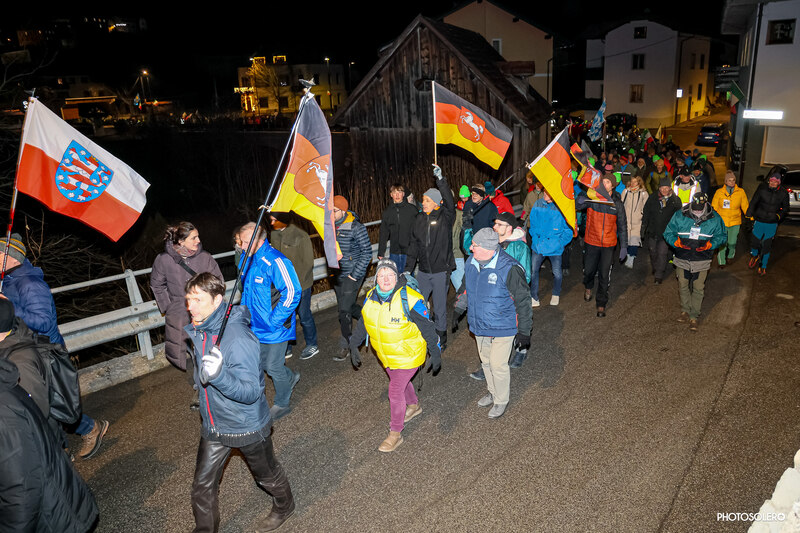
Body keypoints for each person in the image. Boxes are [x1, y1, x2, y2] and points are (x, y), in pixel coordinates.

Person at [184, 273, 295, 532]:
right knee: (202, 486)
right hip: (214, 423)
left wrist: (219, 376)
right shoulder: (203, 327)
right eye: (189, 299)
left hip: (246, 425)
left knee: (266, 476)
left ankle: (285, 505)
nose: (190, 306)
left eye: (198, 300)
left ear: (217, 300)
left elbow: (251, 392)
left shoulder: (237, 337)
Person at [0, 233, 109, 460]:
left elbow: (44, 322)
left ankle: (89, 430)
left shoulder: (29, 284)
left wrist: (10, 306)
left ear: (11, 257)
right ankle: (62, 449)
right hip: (23, 351)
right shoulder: (8, 282)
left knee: (51, 402)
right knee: (42, 403)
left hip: (45, 352)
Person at [348, 259, 441, 452]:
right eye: (381, 275)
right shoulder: (371, 297)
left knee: (395, 390)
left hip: (409, 354)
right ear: (376, 279)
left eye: (390, 274)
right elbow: (364, 322)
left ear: (397, 277)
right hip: (387, 355)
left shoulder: (410, 299)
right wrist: (354, 344)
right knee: (400, 383)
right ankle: (414, 406)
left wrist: (435, 350)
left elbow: (427, 327)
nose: (386, 279)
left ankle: (395, 433)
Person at [0, 358, 99, 532]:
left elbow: (22, 486)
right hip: (54, 500)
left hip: (51, 513)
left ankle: (90, 427)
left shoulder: (4, 411)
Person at [454, 229, 531, 419]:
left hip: (504, 325)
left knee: (498, 364)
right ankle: (492, 391)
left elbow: (523, 300)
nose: (470, 248)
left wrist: (524, 331)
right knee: (486, 362)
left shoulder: (510, 268)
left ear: (488, 248)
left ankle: (501, 400)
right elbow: (466, 288)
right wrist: (459, 308)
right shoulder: (471, 262)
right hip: (480, 323)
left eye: (474, 245)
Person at [151, 222, 224, 409]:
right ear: (181, 241)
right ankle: (202, 384)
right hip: (180, 313)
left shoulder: (205, 258)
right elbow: (157, 285)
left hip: (205, 312)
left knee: (204, 349)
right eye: (194, 238)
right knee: (191, 351)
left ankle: (202, 389)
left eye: (198, 236)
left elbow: (219, 282)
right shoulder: (163, 260)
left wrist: (212, 305)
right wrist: (169, 307)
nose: (199, 241)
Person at [239, 222, 302, 421]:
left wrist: (275, 321)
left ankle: (282, 403)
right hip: (256, 326)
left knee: (273, 366)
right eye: (241, 242)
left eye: (246, 242)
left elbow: (293, 292)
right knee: (264, 365)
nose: (242, 246)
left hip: (276, 327)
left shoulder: (276, 261)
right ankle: (290, 377)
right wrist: (243, 317)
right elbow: (246, 292)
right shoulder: (247, 259)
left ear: (259, 240)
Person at [405, 164, 455, 350]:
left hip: (441, 271)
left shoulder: (445, 216)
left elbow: (449, 201)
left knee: (439, 308)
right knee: (418, 306)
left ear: (436, 202)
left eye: (427, 200)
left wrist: (440, 180)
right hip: (424, 272)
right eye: (423, 199)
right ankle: (420, 335)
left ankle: (441, 338)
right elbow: (414, 246)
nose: (423, 202)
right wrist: (408, 270)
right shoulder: (419, 219)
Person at [663, 192, 727, 331]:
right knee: (683, 284)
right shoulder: (680, 215)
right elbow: (668, 232)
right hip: (682, 257)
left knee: (698, 287)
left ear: (705, 204)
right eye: (695, 208)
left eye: (700, 208)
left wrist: (711, 244)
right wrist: (675, 242)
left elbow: (722, 236)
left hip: (702, 259)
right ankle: (685, 311)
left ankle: (694, 316)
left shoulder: (715, 218)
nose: (697, 211)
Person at [269, 214, 319, 359]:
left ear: (283, 219)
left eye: (274, 220)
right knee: (286, 317)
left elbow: (308, 263)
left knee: (304, 315)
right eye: (270, 220)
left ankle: (312, 344)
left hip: (300, 284)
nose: (272, 223)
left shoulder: (300, 235)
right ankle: (287, 347)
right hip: (282, 286)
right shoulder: (274, 234)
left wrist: (296, 285)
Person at [577, 176, 628, 318]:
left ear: (613, 186)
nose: (604, 184)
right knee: (589, 271)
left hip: (608, 244)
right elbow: (578, 206)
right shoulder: (593, 198)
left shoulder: (617, 204)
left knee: (604, 275)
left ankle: (601, 303)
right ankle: (588, 286)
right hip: (591, 241)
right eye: (603, 182)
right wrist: (580, 199)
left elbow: (622, 226)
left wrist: (624, 246)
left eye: (608, 182)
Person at [330, 195, 373, 361]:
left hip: (352, 275)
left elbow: (367, 253)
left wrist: (354, 276)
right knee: (346, 307)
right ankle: (369, 318)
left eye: (334, 211)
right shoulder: (329, 227)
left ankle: (347, 344)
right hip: (337, 275)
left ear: (343, 210)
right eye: (330, 211)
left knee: (344, 311)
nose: (332, 214)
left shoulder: (356, 227)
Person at [529, 191, 573, 309]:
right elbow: (532, 222)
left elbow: (568, 230)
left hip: (555, 248)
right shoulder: (538, 204)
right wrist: (535, 237)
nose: (545, 193)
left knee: (557, 273)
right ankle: (534, 296)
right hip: (538, 245)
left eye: (548, 192)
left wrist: (560, 243)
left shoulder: (562, 207)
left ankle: (556, 293)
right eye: (544, 191)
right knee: (533, 272)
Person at [745, 169, 790, 275]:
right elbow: (754, 202)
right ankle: (755, 255)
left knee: (766, 245)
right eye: (771, 181)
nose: (772, 183)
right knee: (755, 242)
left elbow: (786, 208)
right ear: (769, 181)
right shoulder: (762, 188)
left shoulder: (783, 193)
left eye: (775, 181)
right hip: (759, 220)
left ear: (778, 183)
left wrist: (778, 216)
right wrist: (748, 215)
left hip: (772, 223)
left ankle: (763, 265)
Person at [642, 178, 682, 284]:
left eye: (666, 188)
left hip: (666, 232)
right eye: (662, 188)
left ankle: (658, 275)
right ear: (659, 188)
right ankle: (655, 267)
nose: (664, 190)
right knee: (652, 251)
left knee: (662, 253)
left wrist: (676, 230)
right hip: (653, 230)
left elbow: (679, 217)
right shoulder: (653, 198)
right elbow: (646, 212)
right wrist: (644, 226)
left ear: (670, 188)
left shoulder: (675, 200)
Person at [377, 183, 418, 274]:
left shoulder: (412, 210)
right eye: (394, 193)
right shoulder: (387, 212)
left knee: (408, 278)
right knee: (394, 276)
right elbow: (383, 233)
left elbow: (419, 230)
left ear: (403, 194)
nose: (397, 195)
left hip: (409, 252)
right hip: (394, 252)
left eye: (399, 192)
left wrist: (417, 248)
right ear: (391, 195)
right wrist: (381, 252)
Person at [711, 170, 749, 269]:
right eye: (729, 180)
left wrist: (750, 217)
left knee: (732, 242)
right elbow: (714, 207)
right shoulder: (719, 192)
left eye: (733, 180)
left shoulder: (740, 192)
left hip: (735, 221)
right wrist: (712, 219)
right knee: (722, 242)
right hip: (722, 222)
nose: (732, 182)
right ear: (725, 181)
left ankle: (730, 255)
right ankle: (721, 261)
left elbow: (745, 206)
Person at [621, 175, 649, 269]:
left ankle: (631, 257)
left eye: (635, 181)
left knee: (634, 240)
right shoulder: (626, 191)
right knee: (627, 240)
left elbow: (646, 207)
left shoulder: (643, 193)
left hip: (637, 221)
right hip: (626, 220)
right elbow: (621, 204)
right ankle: (628, 255)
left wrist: (641, 215)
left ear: (639, 182)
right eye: (632, 181)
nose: (633, 183)